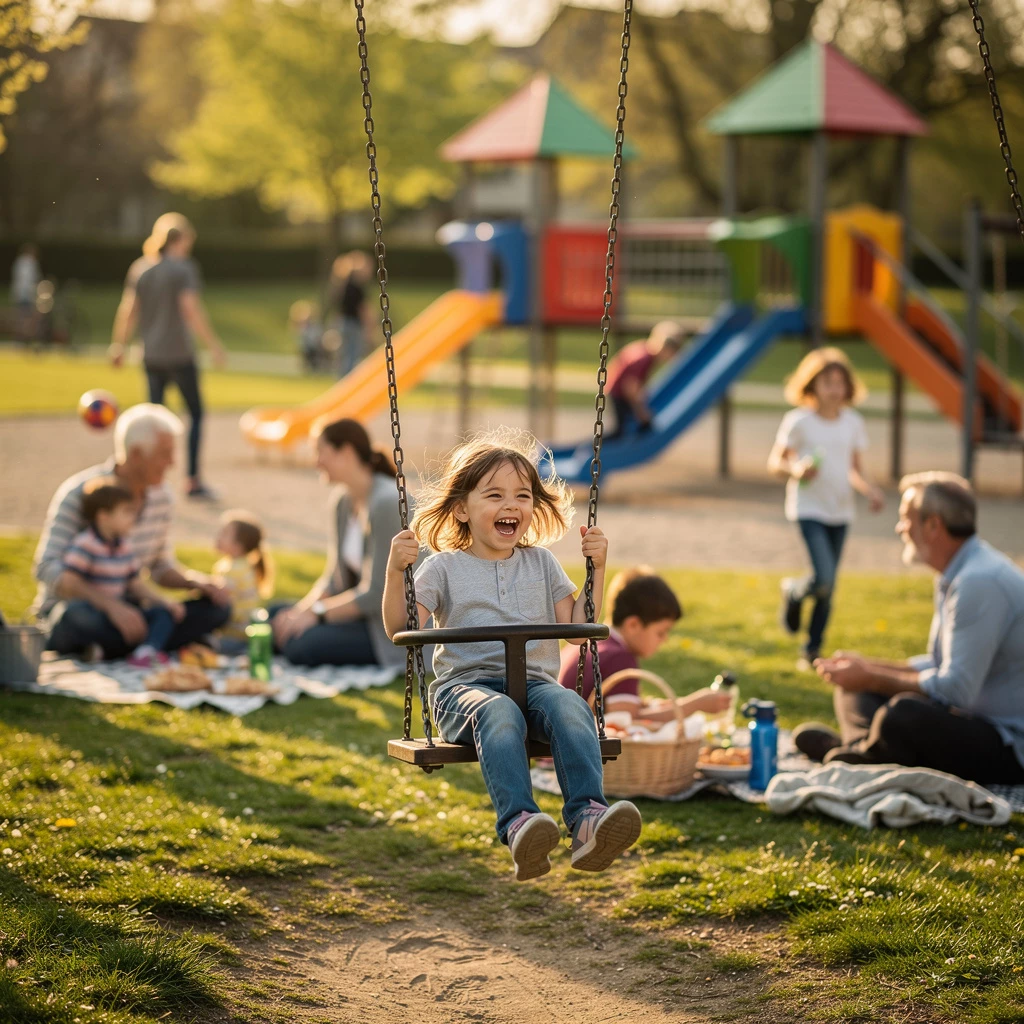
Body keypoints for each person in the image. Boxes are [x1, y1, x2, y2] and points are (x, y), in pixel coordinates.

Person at [384, 429, 642, 882]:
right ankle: (521, 825)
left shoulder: (541, 563)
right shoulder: (443, 567)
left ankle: (588, 820)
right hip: (463, 693)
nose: (511, 505)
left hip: (536, 688)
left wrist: (597, 568)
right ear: (462, 508)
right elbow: (402, 628)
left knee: (569, 703)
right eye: (495, 494)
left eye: (523, 495)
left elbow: (580, 629)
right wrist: (394, 570)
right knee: (499, 711)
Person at [793, 472, 1024, 785]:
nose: (899, 528)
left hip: (1009, 745)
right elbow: (938, 662)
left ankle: (861, 752)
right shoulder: (959, 572)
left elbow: (957, 690)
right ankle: (863, 753)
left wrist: (873, 676)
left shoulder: (979, 582)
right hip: (972, 720)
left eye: (905, 518)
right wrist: (863, 669)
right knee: (856, 688)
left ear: (933, 525)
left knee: (903, 714)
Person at [33, 404, 231, 659]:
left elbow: (159, 567)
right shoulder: (80, 493)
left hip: (133, 610)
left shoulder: (163, 497)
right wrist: (110, 605)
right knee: (75, 617)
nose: (172, 463)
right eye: (165, 454)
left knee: (218, 609)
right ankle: (155, 642)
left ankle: (115, 648)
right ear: (136, 454)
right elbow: (46, 567)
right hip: (82, 609)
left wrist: (196, 582)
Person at [768, 348, 884, 667]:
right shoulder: (799, 421)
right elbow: (776, 462)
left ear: (848, 387)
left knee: (828, 588)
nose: (834, 389)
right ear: (812, 385)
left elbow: (855, 470)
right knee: (824, 578)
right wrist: (796, 470)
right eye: (827, 382)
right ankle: (793, 590)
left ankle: (812, 649)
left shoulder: (853, 423)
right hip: (808, 508)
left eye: (840, 382)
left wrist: (870, 491)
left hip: (841, 511)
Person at [271, 418, 415, 669]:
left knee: (301, 644)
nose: (315, 462)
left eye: (320, 452)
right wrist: (301, 611)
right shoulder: (343, 501)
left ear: (346, 452)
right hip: (358, 616)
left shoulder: (387, 502)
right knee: (275, 615)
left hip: (387, 629)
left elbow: (376, 593)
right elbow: (334, 576)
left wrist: (316, 614)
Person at [109, 213, 227, 500]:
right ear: (181, 240)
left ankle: (147, 481)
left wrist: (118, 345)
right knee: (196, 414)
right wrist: (213, 345)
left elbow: (129, 310)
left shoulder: (141, 269)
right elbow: (191, 309)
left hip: (151, 356)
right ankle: (193, 480)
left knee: (152, 422)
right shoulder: (183, 269)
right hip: (180, 355)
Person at [558, 567, 731, 724]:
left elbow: (622, 709)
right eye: (661, 632)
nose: (664, 640)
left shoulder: (590, 643)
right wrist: (694, 705)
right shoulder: (619, 658)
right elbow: (629, 722)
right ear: (633, 625)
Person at [62, 477, 185, 667]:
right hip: (98, 613)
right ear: (104, 516)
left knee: (161, 614)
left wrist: (164, 602)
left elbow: (135, 583)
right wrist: (110, 608)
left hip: (123, 613)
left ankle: (147, 651)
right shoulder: (85, 544)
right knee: (76, 612)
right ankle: (105, 648)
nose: (133, 518)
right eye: (126, 512)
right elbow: (70, 581)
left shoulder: (124, 546)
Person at [606, 321, 687, 438]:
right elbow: (630, 387)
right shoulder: (643, 359)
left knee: (624, 429)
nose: (671, 357)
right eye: (673, 352)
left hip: (616, 389)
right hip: (617, 393)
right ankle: (595, 449)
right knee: (620, 432)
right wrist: (642, 413)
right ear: (665, 347)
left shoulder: (644, 348)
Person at [212, 510, 274, 653]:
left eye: (224, 534)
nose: (218, 537)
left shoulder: (233, 570)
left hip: (234, 635)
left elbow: (219, 599)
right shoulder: (245, 566)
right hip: (245, 633)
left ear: (237, 546)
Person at [327, 252, 374, 378]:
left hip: (342, 323)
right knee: (353, 354)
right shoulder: (357, 287)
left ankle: (341, 378)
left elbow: (336, 306)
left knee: (343, 354)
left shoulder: (342, 285)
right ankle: (347, 380)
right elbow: (363, 309)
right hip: (353, 324)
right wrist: (369, 327)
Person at [10, 243, 41, 342]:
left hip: (20, 294)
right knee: (26, 317)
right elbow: (30, 280)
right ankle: (24, 337)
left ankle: (22, 337)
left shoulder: (19, 262)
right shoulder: (30, 263)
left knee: (22, 316)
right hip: (26, 295)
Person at [290, 299, 326, 373]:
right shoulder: (304, 327)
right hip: (308, 345)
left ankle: (315, 365)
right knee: (309, 350)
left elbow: (318, 335)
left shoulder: (315, 325)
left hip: (314, 344)